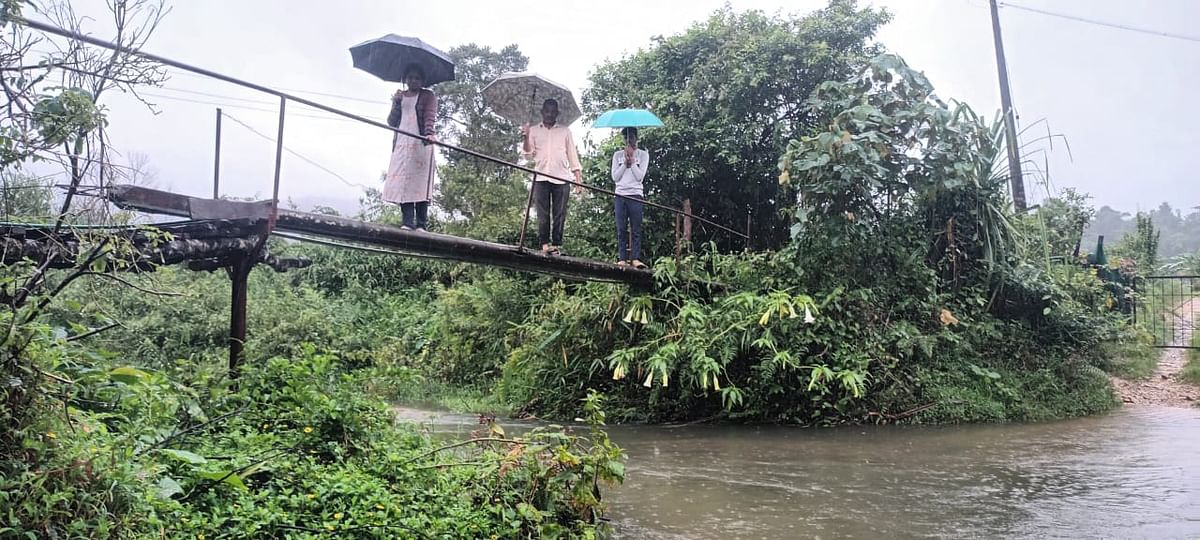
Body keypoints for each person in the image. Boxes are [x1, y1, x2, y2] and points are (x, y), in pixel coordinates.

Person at [521, 98, 583, 254]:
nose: (549, 114)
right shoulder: (534, 130)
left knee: (560, 213)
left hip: (561, 177)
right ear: (542, 112)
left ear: (557, 113)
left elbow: (572, 154)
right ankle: (545, 244)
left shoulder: (565, 131)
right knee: (542, 213)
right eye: (547, 111)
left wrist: (578, 179)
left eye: (553, 111)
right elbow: (528, 155)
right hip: (541, 176)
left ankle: (556, 244)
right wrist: (525, 136)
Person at [384, 63, 438, 231]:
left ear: (422, 80)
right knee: (403, 180)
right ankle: (407, 222)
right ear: (405, 79)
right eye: (410, 77)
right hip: (402, 143)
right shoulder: (400, 97)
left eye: (417, 78)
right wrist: (395, 103)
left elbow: (430, 116)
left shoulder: (428, 96)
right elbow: (392, 122)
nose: (413, 80)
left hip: (420, 143)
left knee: (420, 182)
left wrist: (429, 133)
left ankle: (421, 224)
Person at [610, 127, 649, 268]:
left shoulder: (643, 155)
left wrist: (632, 162)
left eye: (632, 137)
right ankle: (622, 258)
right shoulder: (617, 155)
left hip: (636, 194)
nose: (629, 140)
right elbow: (615, 177)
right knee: (621, 228)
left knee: (636, 228)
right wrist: (624, 164)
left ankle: (635, 258)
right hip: (620, 194)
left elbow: (639, 177)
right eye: (627, 137)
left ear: (636, 138)